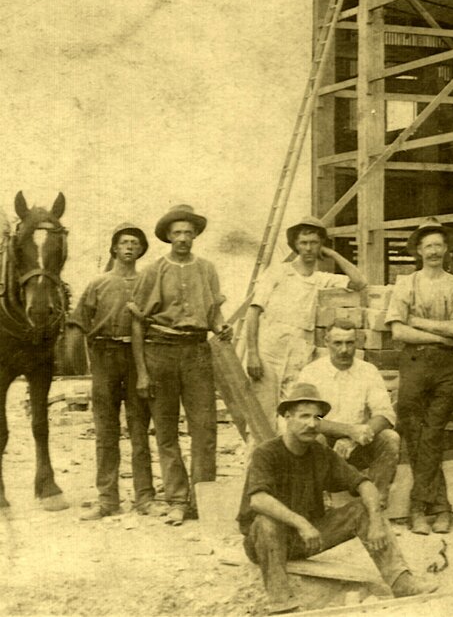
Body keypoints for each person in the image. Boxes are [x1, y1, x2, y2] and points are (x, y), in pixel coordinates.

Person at [238, 383, 436, 614]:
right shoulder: (267, 452)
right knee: (266, 522)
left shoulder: (321, 454)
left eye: (317, 418)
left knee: (362, 509)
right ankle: (282, 603)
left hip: (307, 538)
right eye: (303, 417)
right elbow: (258, 500)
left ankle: (402, 583)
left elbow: (365, 484)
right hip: (264, 542)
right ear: (287, 417)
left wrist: (375, 521)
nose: (311, 424)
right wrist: (301, 523)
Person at [129, 204, 232, 526]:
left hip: (197, 353)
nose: (183, 238)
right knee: (166, 431)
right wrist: (143, 372)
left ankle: (202, 500)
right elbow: (137, 322)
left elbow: (214, 311)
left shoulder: (207, 269)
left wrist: (221, 326)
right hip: (160, 351)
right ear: (168, 237)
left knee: (205, 428)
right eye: (177, 233)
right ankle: (176, 499)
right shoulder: (153, 271)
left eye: (188, 232)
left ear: (195, 235)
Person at [385, 217, 453, 535]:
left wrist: (418, 322)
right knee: (414, 431)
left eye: (439, 244)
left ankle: (418, 509)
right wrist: (440, 336)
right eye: (428, 245)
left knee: (433, 434)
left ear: (447, 249)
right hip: (414, 362)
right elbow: (397, 330)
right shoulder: (406, 283)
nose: (434, 250)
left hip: (445, 368)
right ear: (418, 251)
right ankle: (440, 507)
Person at [67, 223, 158, 520]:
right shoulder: (99, 283)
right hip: (105, 356)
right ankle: (108, 499)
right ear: (115, 248)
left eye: (135, 243)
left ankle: (145, 497)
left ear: (141, 249)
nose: (130, 247)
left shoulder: (149, 281)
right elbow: (78, 321)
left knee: (139, 429)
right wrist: (77, 359)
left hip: (137, 358)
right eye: (124, 242)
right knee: (106, 430)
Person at [246, 215, 366, 427]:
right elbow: (253, 312)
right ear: (295, 244)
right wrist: (253, 354)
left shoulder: (322, 278)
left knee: (293, 414)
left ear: (321, 245)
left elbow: (359, 282)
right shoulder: (278, 272)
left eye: (314, 243)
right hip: (270, 351)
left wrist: (332, 253)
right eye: (303, 243)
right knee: (262, 416)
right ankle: (257, 460)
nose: (309, 248)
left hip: (301, 351)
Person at [296, 322, 399, 503]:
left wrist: (355, 436)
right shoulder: (311, 372)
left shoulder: (368, 371)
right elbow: (305, 417)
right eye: (338, 343)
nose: (344, 350)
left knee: (390, 438)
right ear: (326, 342)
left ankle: (375, 502)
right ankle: (319, 501)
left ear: (356, 343)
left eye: (350, 343)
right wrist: (349, 431)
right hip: (324, 444)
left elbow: (385, 414)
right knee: (313, 438)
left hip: (357, 444)